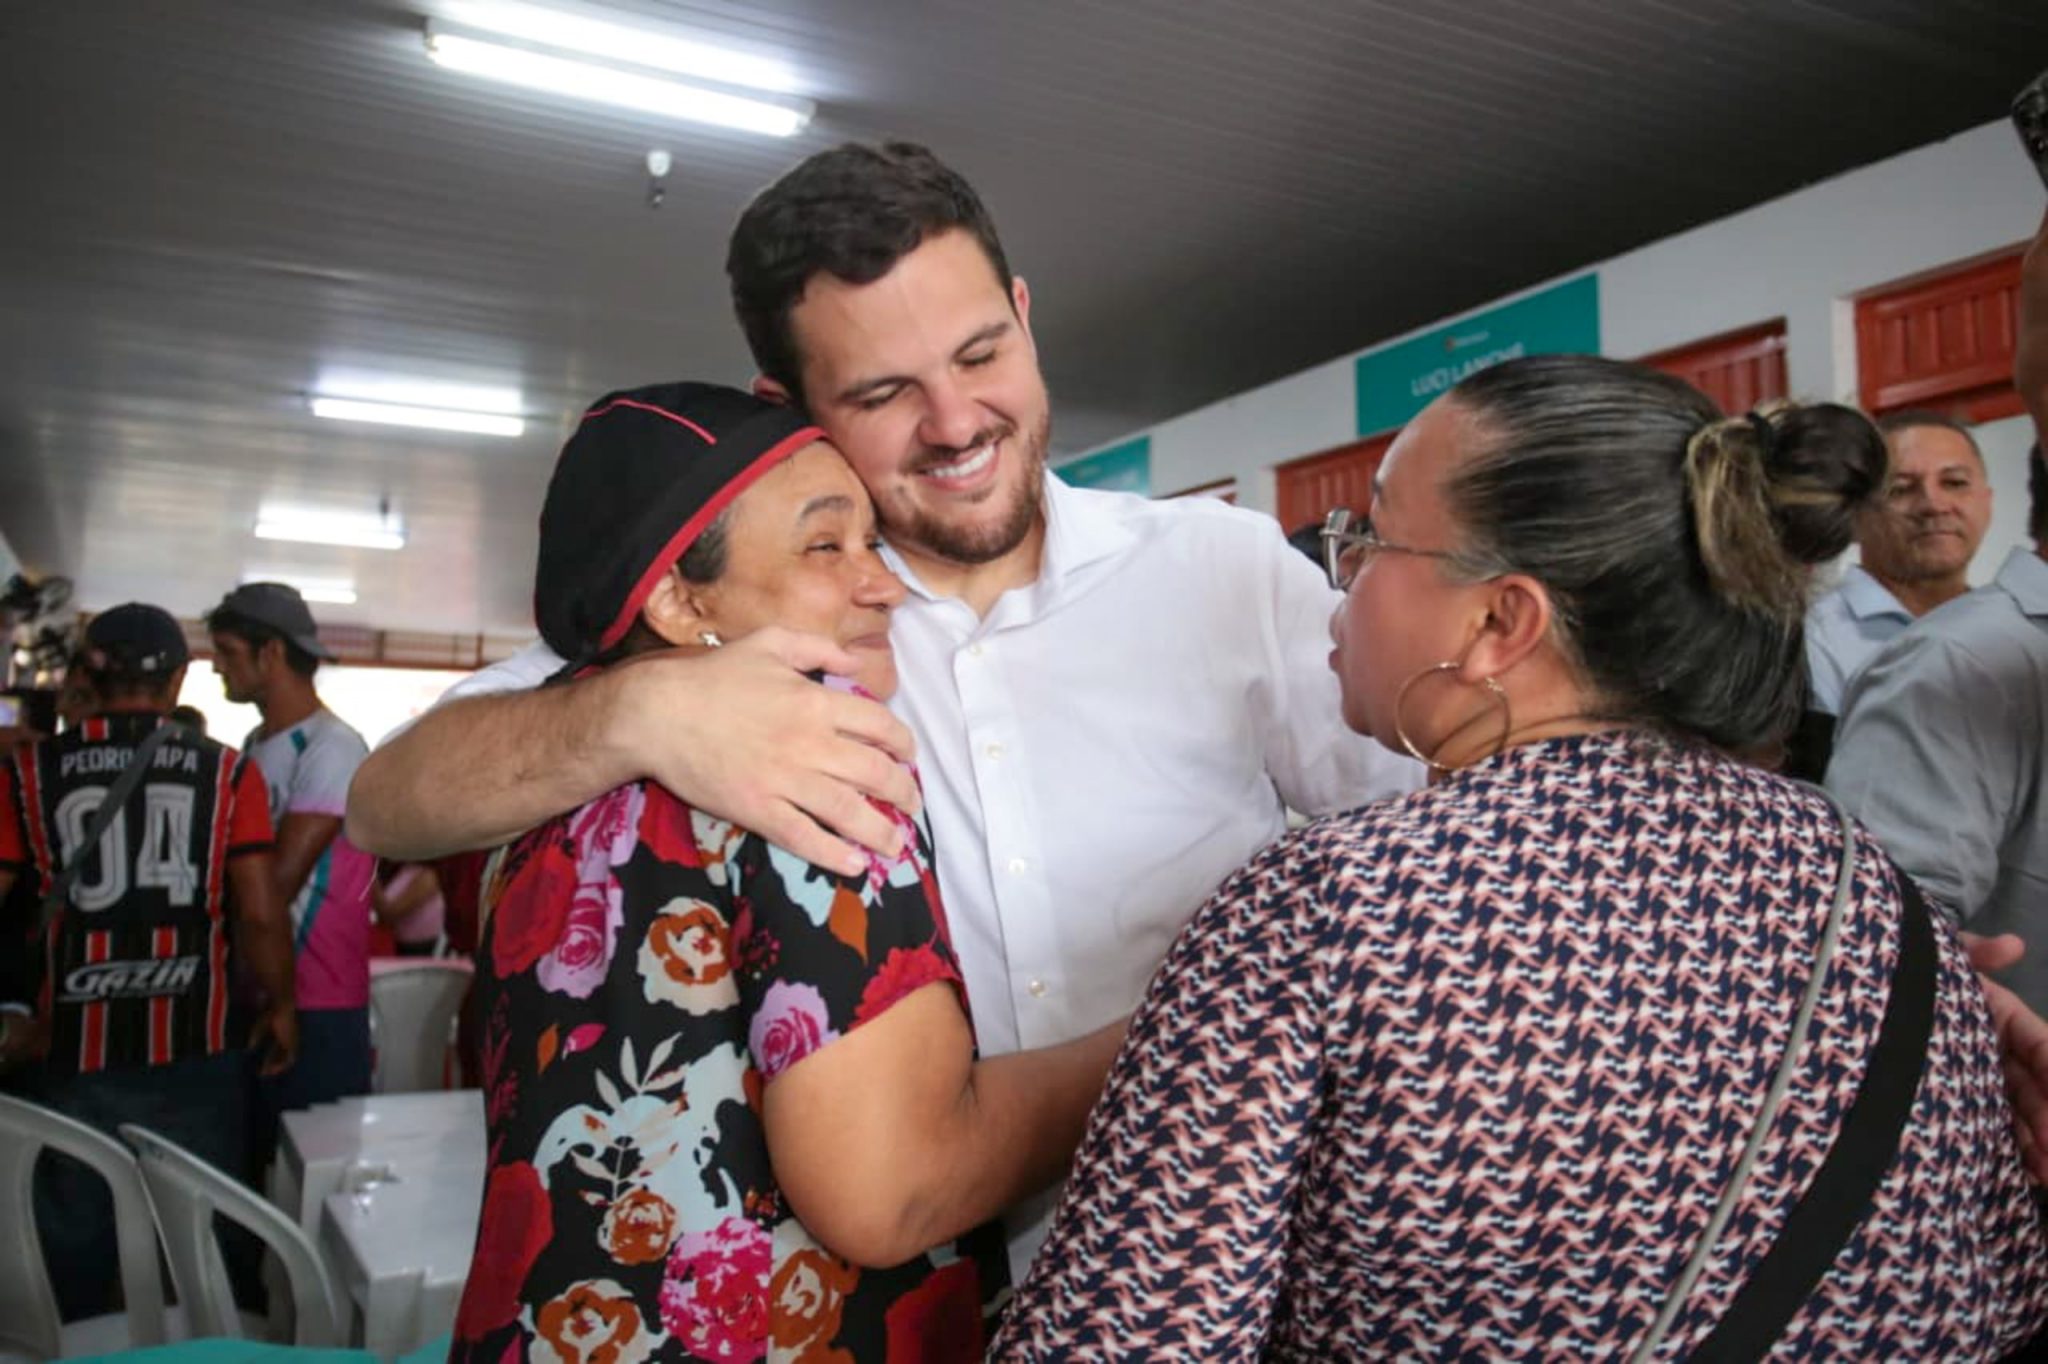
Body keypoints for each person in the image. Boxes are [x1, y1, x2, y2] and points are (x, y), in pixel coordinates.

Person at [347, 142, 1421, 1274]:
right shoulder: (779, 624)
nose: (955, 422)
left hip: (1238, 1269)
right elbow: (387, 800)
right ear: (790, 408)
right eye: (882, 392)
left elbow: (1428, 849)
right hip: (929, 1301)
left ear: (1021, 313)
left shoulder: (1225, 572)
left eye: (979, 353)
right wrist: (642, 711)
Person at [993, 355, 2048, 1360]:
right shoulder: (1855, 872)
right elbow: (1990, 1285)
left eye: (1370, 533)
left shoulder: (1325, 907)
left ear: (1499, 619)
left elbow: (1117, 1336)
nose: (1340, 572)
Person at [451, 382, 1120, 1363]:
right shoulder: (808, 758)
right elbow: (891, 1185)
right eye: (824, 545)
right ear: (681, 599)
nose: (881, 582)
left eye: (870, 541)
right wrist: (1166, 1034)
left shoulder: (534, 777)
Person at [0, 603, 295, 1319]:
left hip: (67, 1049)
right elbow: (258, 913)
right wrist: (283, 1005)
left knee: (67, 1248)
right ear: (177, 682)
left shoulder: (27, 775)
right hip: (195, 1045)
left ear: (84, 679)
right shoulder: (228, 775)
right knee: (206, 1244)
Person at [206, 582, 374, 1118]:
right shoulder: (257, 745)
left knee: (316, 1168)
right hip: (263, 987)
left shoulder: (331, 746)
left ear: (272, 651)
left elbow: (274, 884)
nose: (215, 667)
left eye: (228, 653)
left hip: (318, 996)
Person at [1803, 409, 1995, 716]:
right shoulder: (1816, 642)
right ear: (1856, 514)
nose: (1933, 505)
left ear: (1987, 500)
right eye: (1901, 489)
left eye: (1954, 483)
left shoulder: (2012, 628)